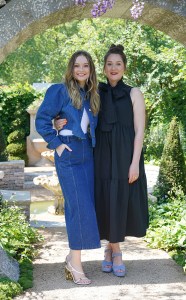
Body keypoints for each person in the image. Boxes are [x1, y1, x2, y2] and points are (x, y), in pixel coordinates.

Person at [55, 44, 149, 278]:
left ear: (124, 67)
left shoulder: (134, 93)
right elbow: (74, 112)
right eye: (109, 64)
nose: (114, 67)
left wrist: (134, 162)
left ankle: (115, 251)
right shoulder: (95, 92)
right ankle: (109, 250)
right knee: (104, 200)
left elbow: (140, 131)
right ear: (104, 69)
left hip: (125, 155)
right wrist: (57, 122)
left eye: (118, 64)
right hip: (100, 156)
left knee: (120, 199)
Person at [35, 50, 101, 285]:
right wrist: (57, 144)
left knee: (87, 206)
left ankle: (72, 258)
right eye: (77, 66)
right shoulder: (59, 90)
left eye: (86, 66)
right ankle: (75, 264)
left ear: (91, 69)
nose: (81, 70)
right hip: (69, 153)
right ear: (71, 69)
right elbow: (42, 118)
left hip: (88, 154)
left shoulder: (91, 93)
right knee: (78, 207)